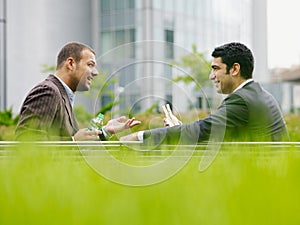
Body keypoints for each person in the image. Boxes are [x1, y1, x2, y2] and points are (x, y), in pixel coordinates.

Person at [120, 42, 289, 144]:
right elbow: (208, 133)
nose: (211, 76)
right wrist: (180, 129)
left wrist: (139, 136)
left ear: (235, 69)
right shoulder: (259, 94)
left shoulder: (242, 101)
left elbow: (201, 130)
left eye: (216, 69)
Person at [15, 42, 140, 141]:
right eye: (90, 65)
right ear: (71, 63)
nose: (96, 72)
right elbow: (26, 141)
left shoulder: (62, 94)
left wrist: (105, 131)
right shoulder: (48, 91)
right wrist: (73, 140)